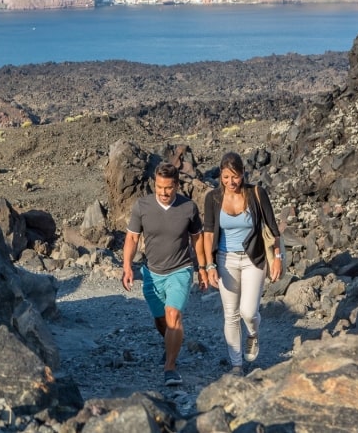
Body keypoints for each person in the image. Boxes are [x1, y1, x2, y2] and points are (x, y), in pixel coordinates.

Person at [121, 161, 207, 387]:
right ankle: (172, 342)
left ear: (177, 185)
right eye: (159, 187)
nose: (163, 192)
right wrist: (127, 266)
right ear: (154, 185)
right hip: (152, 272)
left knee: (173, 315)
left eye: (168, 187)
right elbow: (131, 238)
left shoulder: (188, 208)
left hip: (180, 269)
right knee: (161, 320)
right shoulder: (142, 206)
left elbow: (197, 239)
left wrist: (203, 268)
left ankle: (170, 367)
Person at [202, 152, 283, 375]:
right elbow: (208, 233)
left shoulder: (256, 193)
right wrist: (209, 265)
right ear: (220, 175)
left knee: (248, 311)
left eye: (235, 177)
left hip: (253, 258)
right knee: (230, 314)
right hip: (225, 260)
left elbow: (273, 230)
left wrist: (277, 258)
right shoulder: (213, 198)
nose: (231, 182)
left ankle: (253, 334)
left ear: (243, 174)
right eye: (226, 177)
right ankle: (236, 364)